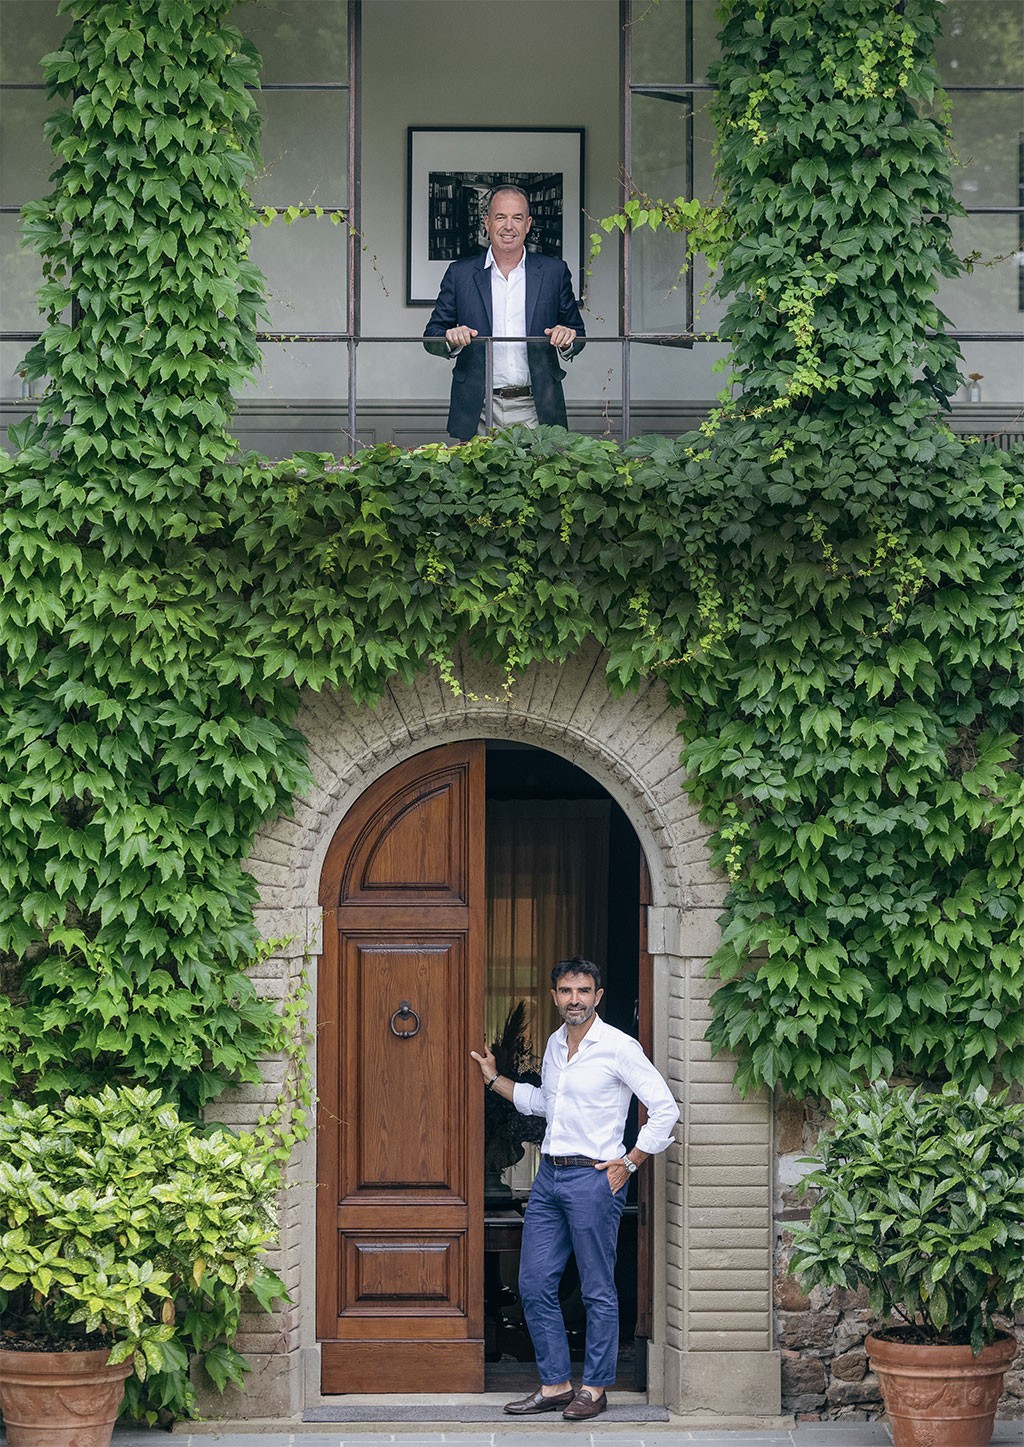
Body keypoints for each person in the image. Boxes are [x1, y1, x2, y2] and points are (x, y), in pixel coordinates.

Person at [471, 956, 679, 1420]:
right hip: (549, 1178)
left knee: (596, 1288)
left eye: (583, 991)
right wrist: (494, 1079)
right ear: (554, 996)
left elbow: (665, 1109)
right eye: (566, 991)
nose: (575, 999)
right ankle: (556, 1385)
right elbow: (545, 1103)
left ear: (597, 996)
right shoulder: (553, 1044)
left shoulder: (619, 1047)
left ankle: (595, 1388)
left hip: (594, 1178)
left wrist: (631, 1162)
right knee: (533, 1282)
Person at [423, 185, 586, 442]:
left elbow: (578, 335)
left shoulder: (554, 272)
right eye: (500, 217)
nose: (509, 226)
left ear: (528, 224)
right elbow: (431, 337)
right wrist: (451, 339)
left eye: (517, 218)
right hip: (478, 409)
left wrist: (567, 338)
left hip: (537, 408)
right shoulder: (459, 273)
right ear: (487, 222)